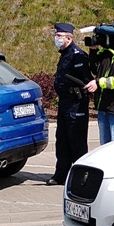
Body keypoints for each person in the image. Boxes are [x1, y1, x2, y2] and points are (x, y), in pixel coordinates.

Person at [47, 23, 91, 186]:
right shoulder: (65, 54)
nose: (56, 38)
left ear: (69, 38)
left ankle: (81, 178)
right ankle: (61, 175)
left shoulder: (77, 55)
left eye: (59, 36)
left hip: (76, 105)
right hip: (65, 103)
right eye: (56, 35)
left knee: (77, 142)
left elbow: (86, 81)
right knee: (62, 141)